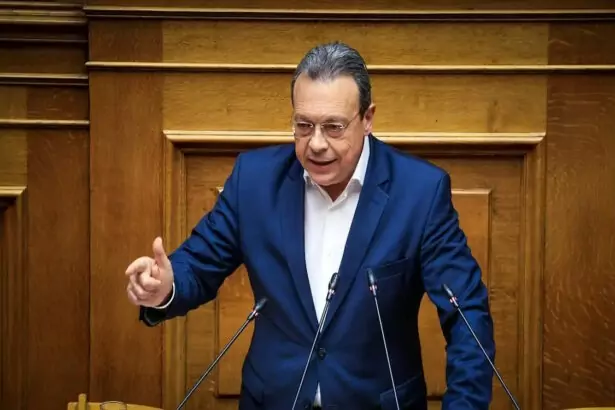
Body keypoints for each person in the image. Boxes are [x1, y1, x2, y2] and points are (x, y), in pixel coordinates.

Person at [125, 41, 495, 410]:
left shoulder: (420, 192)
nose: (315, 143)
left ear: (367, 118)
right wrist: (166, 287)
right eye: (304, 125)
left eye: (334, 127)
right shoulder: (254, 181)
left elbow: (467, 315)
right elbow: (198, 264)